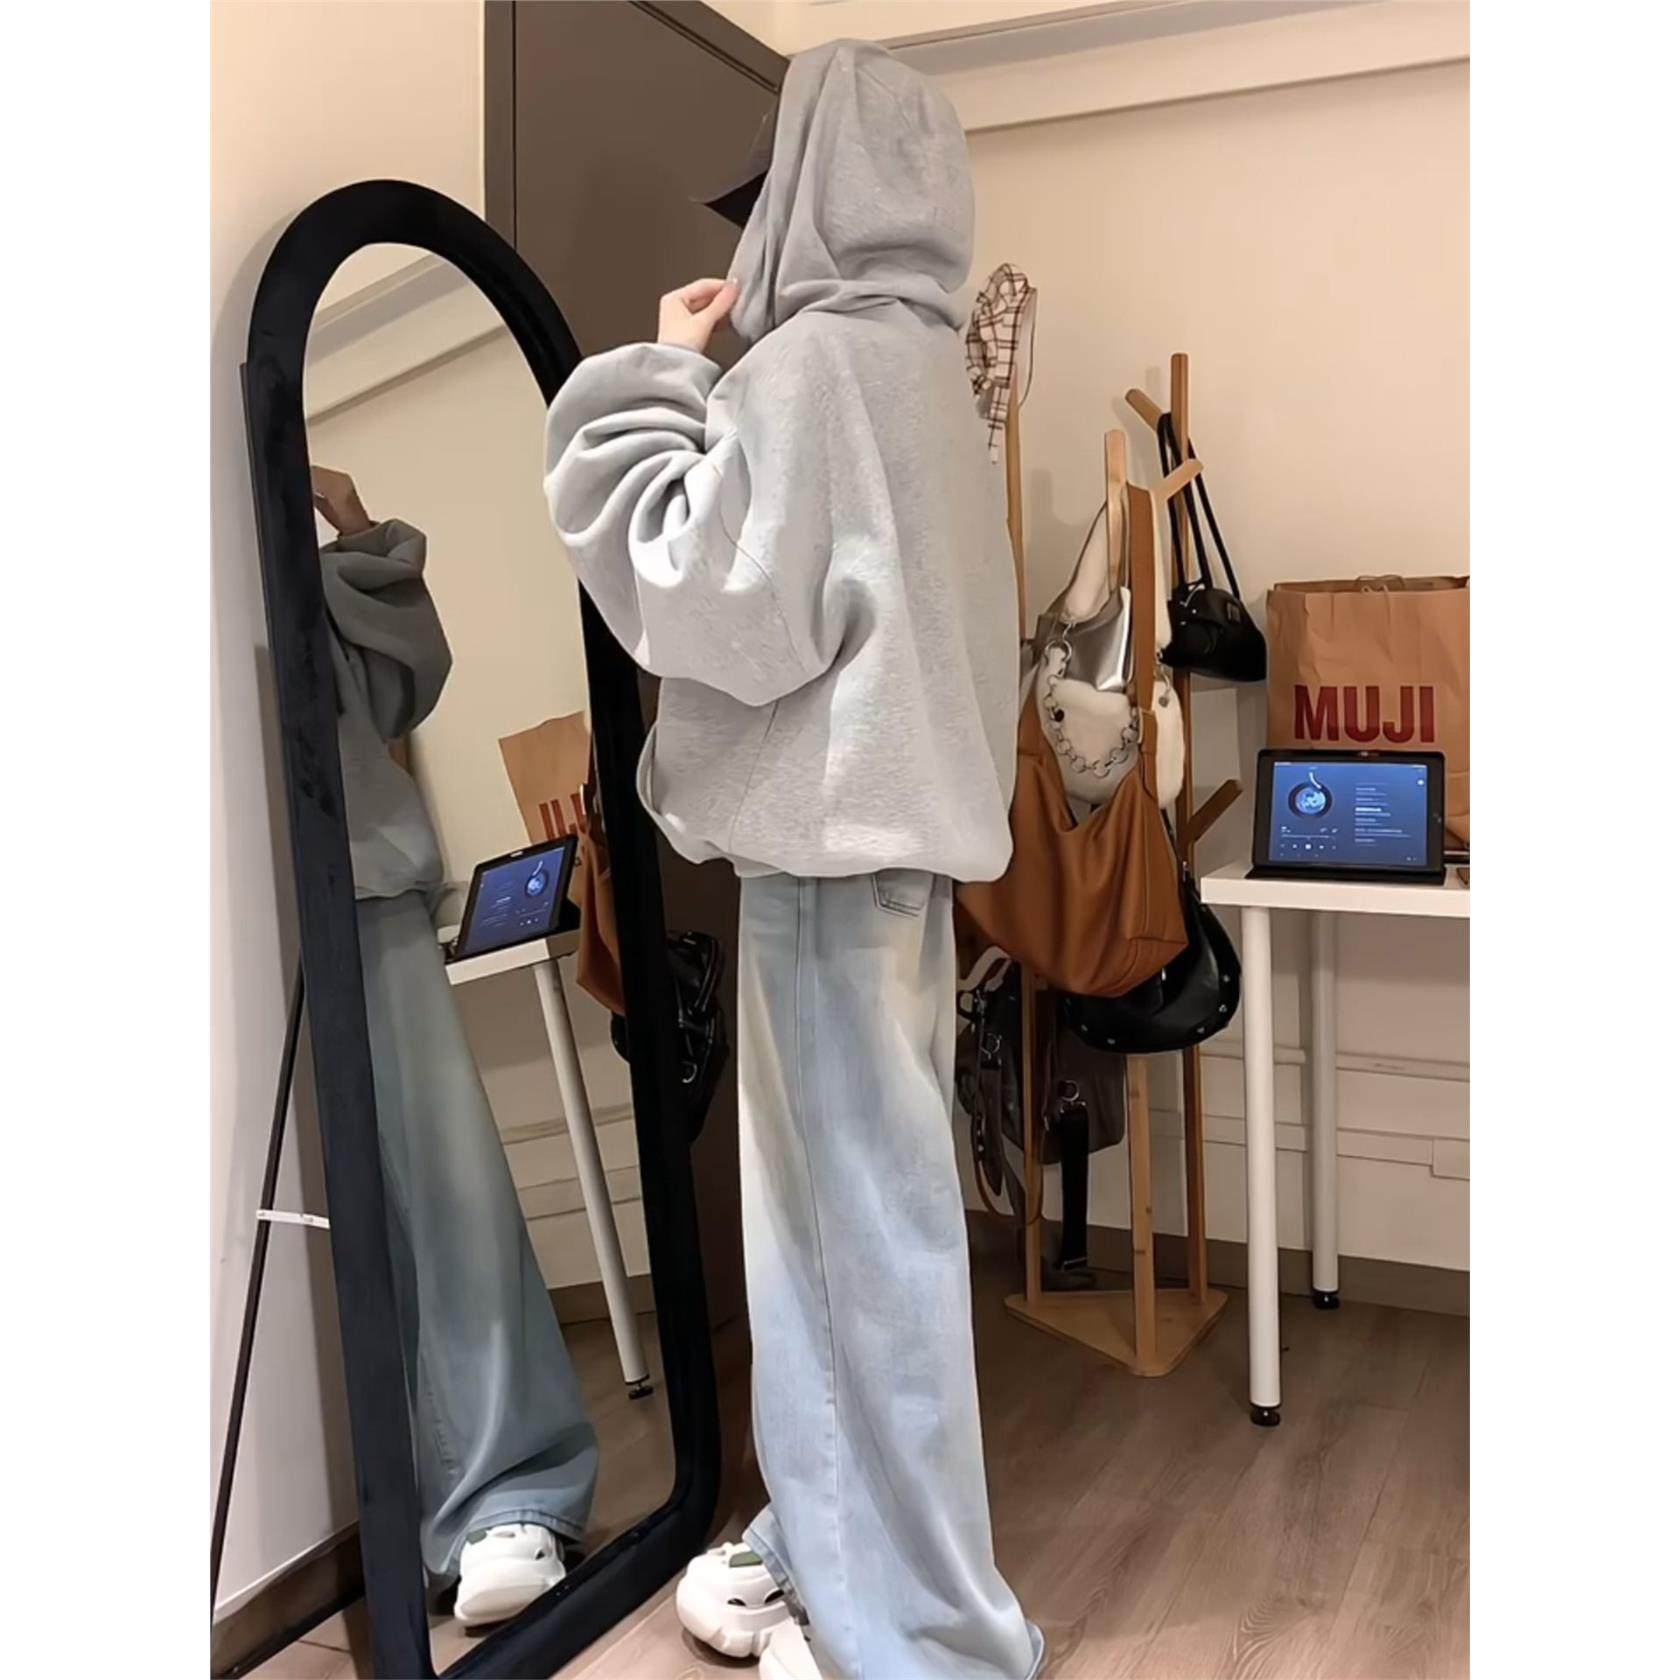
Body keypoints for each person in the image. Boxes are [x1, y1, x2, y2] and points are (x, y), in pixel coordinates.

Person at [542, 39, 1040, 1680]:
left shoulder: (810, 371)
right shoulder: (931, 381)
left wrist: (657, 377)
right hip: (900, 869)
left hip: (830, 869)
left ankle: (917, 1632)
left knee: (842, 1251)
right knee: (868, 1241)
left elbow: (710, 600)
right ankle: (840, 1554)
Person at [314, 471, 600, 1629]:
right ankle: (398, 1511)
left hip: (356, 888)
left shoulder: (257, 545)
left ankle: (506, 1495)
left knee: (446, 1199)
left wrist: (342, 522)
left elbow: (403, 682)